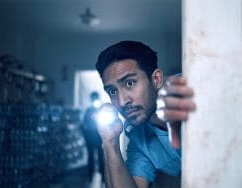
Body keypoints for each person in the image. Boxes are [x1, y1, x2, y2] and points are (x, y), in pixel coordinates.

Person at [94, 41, 196, 188]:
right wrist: (110, 143)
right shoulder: (138, 138)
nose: (122, 101)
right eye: (112, 91)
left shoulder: (195, 88)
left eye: (130, 83)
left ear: (156, 79)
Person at [82, 92, 105, 183]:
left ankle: (103, 175)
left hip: (99, 138)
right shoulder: (88, 111)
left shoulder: (101, 110)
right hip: (90, 138)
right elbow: (84, 125)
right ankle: (90, 174)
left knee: (100, 156)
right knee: (91, 156)